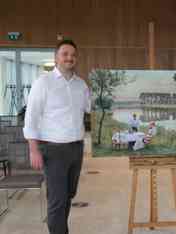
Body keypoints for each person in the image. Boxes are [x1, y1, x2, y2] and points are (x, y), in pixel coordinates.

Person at [23, 39, 91, 234]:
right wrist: (33, 149)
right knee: (57, 200)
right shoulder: (43, 83)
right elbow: (31, 118)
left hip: (76, 148)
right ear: (56, 58)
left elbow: (90, 107)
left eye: (73, 55)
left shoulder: (80, 84)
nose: (70, 58)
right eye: (65, 54)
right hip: (53, 150)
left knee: (68, 195)